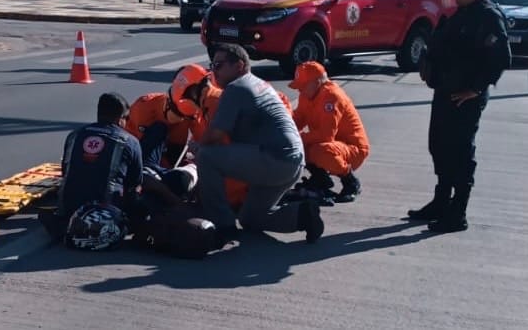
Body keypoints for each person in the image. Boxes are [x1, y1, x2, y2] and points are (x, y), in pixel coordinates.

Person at [410, 0, 510, 233]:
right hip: (445, 92)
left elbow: (500, 57)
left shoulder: (488, 16)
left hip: (465, 97)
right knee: (439, 147)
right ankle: (441, 202)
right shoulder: (462, 14)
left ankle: (458, 212)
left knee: (460, 153)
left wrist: (476, 89)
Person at [194, 43, 323, 244]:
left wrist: (196, 147)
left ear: (239, 65)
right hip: (292, 162)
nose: (213, 71)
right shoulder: (257, 83)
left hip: (275, 158)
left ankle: (223, 226)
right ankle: (303, 215)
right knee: (250, 219)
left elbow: (216, 135)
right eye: (212, 65)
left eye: (219, 65)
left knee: (206, 156)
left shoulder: (236, 88)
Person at [41, 92, 144, 241]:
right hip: (107, 214)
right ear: (120, 118)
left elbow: (66, 172)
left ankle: (65, 223)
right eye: (126, 118)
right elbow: (135, 184)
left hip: (69, 210)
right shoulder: (130, 142)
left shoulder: (74, 135)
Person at [125, 65, 207, 206]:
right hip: (139, 166)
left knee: (182, 180)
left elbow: (206, 143)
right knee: (158, 129)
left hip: (168, 168)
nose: (180, 121)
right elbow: (131, 149)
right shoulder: (144, 107)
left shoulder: (195, 113)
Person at [290, 61, 369, 204]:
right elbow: (299, 118)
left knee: (318, 151)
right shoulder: (307, 95)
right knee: (298, 146)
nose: (300, 90)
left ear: (317, 82)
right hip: (332, 145)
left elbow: (325, 136)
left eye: (303, 86)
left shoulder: (331, 96)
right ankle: (320, 179)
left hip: (354, 149)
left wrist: (298, 138)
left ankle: (350, 182)